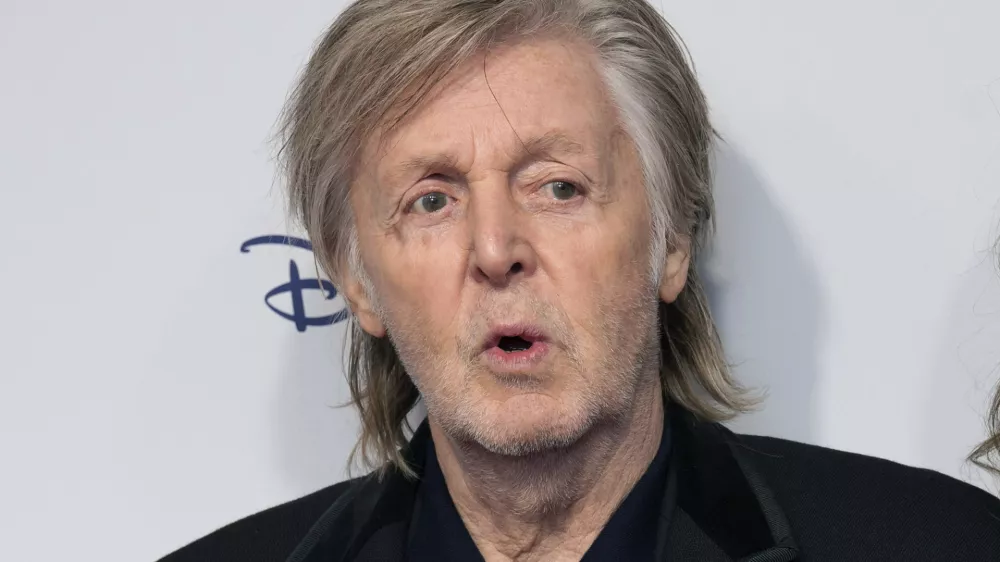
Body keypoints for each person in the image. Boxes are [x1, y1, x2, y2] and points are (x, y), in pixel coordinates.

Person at [160, 1, 1000, 560]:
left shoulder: (939, 544)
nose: (495, 248)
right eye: (431, 200)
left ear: (670, 240)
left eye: (557, 185)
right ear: (357, 279)